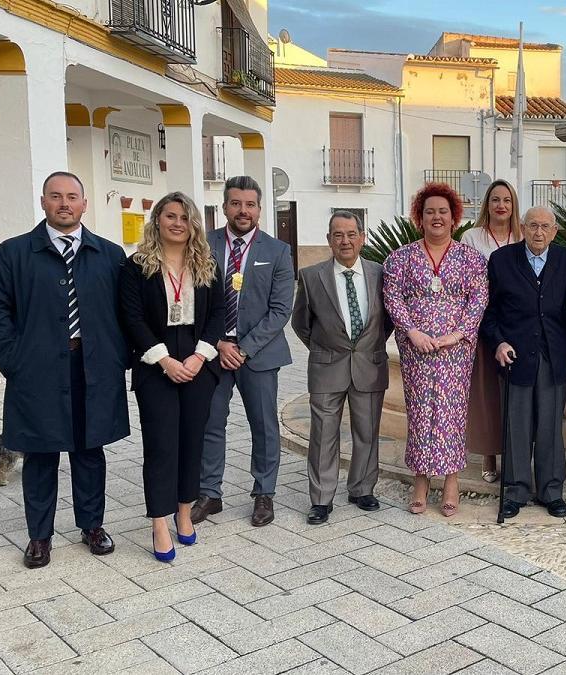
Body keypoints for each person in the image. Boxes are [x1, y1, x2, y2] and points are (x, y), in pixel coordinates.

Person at [0, 171, 129, 568]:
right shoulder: (15, 253)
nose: (64, 203)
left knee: (89, 450)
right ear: (43, 202)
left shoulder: (110, 255)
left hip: (92, 367)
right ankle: (39, 537)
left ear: (84, 203)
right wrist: (14, 361)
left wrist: (118, 358)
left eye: (72, 196)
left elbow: (128, 313)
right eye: (56, 196)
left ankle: (92, 526)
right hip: (37, 371)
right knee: (41, 454)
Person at [119, 193, 224, 561]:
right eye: (170, 216)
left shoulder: (206, 263)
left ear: (193, 224)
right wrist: (165, 361)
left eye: (184, 217)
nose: (177, 223)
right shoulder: (137, 266)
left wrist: (199, 357)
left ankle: (184, 511)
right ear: (158, 221)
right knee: (162, 445)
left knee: (192, 441)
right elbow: (132, 318)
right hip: (155, 362)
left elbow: (218, 316)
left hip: (198, 361)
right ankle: (159, 521)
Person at [193, 176, 295, 527]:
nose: (243, 211)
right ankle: (209, 493)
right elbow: (196, 301)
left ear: (259, 209)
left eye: (250, 204)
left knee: (264, 426)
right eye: (236, 203)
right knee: (210, 423)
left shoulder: (277, 251)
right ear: (224, 207)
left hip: (260, 354)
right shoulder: (203, 245)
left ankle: (263, 493)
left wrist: (244, 348)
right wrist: (220, 343)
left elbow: (281, 310)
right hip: (214, 351)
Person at [383, 183, 489, 517]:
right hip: (417, 349)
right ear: (420, 216)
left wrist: (458, 334)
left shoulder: (470, 258)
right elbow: (393, 296)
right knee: (420, 414)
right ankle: (420, 480)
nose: (437, 217)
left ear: (454, 217)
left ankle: (451, 481)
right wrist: (411, 332)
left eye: (443, 211)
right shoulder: (400, 258)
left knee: (452, 414)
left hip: (455, 350)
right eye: (430, 211)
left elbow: (479, 299)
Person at [291, 211, 391, 525]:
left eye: (351, 234)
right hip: (326, 368)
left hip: (369, 366)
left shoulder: (380, 274)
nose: (345, 241)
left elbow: (386, 322)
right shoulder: (311, 276)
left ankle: (362, 488)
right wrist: (325, 350)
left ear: (362, 238)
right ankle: (321, 499)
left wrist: (365, 348)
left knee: (367, 432)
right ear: (329, 240)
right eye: (338, 235)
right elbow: (300, 323)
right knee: (323, 436)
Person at [480, 206, 566, 519]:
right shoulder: (502, 260)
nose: (538, 233)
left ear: (555, 230)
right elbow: (488, 313)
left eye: (545, 227)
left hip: (552, 355)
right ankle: (516, 490)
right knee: (516, 426)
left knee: (549, 426)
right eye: (533, 226)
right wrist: (499, 342)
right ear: (522, 227)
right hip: (515, 356)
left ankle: (550, 490)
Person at [460, 179, 522, 484]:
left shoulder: (522, 235)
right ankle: (488, 454)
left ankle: (514, 451)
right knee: (487, 393)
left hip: (516, 322)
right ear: (488, 204)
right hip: (484, 320)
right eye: (496, 200)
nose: (501, 206)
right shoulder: (473, 236)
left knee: (513, 391)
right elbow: (466, 278)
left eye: (507, 201)